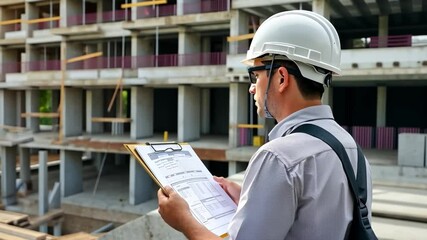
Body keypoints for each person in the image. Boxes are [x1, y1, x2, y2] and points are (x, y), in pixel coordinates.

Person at [157, 10, 373, 240]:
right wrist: (249, 199)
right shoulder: (350, 147)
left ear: (281, 78)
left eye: (255, 76)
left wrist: (184, 221)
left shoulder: (277, 157)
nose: (252, 88)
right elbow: (315, 220)